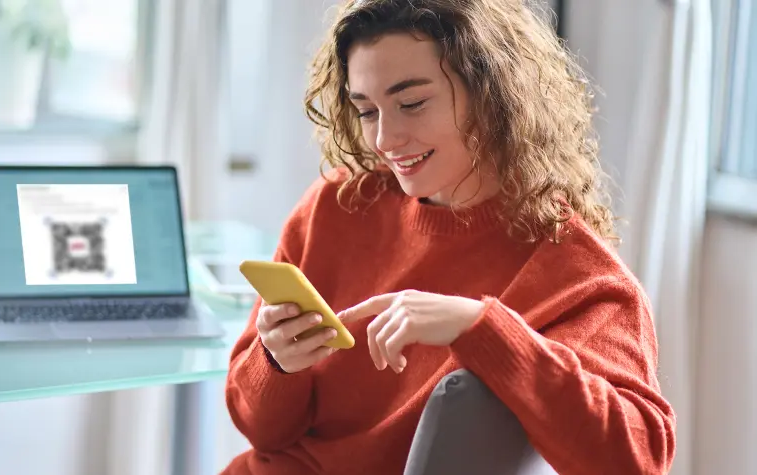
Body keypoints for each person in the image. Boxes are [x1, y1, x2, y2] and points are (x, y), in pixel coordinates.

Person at [222, 0, 676, 473]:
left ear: (491, 91)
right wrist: (276, 363)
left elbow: (636, 459)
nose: (384, 140)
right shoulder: (337, 204)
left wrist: (481, 326)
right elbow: (259, 429)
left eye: (411, 103)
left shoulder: (576, 276)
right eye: (367, 111)